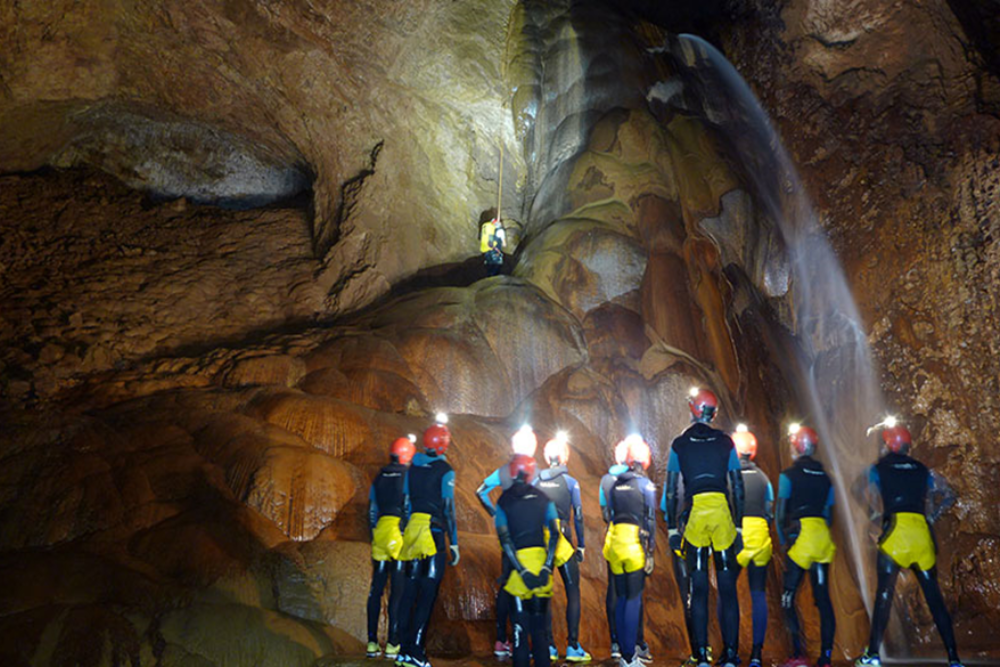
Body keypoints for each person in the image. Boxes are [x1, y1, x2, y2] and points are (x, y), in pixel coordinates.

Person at [855, 423, 964, 667]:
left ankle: (872, 655)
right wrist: (931, 516)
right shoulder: (922, 469)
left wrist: (875, 517)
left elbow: (856, 488)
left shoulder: (878, 468)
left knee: (884, 594)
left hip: (895, 534)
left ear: (888, 445)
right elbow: (948, 494)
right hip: (921, 535)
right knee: (934, 597)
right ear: (907, 446)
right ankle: (954, 658)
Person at [663, 388, 744, 667]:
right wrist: (740, 528)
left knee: (698, 589)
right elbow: (738, 485)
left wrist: (673, 529)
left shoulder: (680, 444)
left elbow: (672, 489)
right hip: (721, 512)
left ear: (693, 409)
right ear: (714, 412)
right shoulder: (725, 442)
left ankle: (701, 657)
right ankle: (732, 655)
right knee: (727, 588)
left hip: (696, 512)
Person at [395, 419, 460, 667]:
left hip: (412, 532)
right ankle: (417, 653)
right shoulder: (446, 471)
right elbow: (448, 508)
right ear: (443, 445)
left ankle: (402, 650)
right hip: (432, 534)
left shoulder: (412, 468)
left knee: (409, 592)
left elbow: (406, 503)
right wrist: (453, 543)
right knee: (427, 595)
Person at [776, 424, 836, 667]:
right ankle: (826, 656)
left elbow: (780, 515)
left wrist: (783, 542)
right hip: (822, 538)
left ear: (798, 446)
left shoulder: (788, 476)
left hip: (801, 539)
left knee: (788, 598)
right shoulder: (826, 477)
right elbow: (829, 517)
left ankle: (798, 654)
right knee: (823, 600)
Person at [477, 425, 538, 659]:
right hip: (528, 535)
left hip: (507, 535)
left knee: (507, 583)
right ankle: (521, 640)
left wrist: (494, 513)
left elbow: (480, 491)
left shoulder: (502, 471)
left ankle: (501, 639)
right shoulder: (535, 471)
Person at [496, 453, 559, 667]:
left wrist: (521, 571)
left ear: (513, 472)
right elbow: (555, 534)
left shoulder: (503, 501)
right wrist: (547, 567)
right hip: (540, 563)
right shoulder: (543, 498)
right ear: (531, 472)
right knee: (540, 634)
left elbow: (505, 540)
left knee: (519, 633)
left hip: (518, 571)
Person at [535, 433, 591, 662]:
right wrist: (582, 545)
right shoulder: (570, 482)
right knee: (573, 591)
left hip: (541, 538)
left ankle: (548, 645)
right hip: (564, 539)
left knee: (544, 593)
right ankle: (573, 645)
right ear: (564, 456)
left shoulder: (535, 480)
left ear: (547, 457)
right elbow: (578, 515)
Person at [603, 434, 657, 667]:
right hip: (634, 543)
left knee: (621, 597)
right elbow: (650, 520)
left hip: (615, 542)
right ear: (644, 461)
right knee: (634, 600)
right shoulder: (645, 485)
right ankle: (631, 656)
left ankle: (624, 653)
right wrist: (651, 552)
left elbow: (610, 514)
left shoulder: (615, 484)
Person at [368, 435, 417, 659]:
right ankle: (392, 643)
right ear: (408, 456)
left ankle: (371, 643)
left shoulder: (379, 475)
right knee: (398, 591)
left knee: (376, 590)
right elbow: (408, 506)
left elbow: (372, 509)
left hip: (380, 533)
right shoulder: (407, 475)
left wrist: (374, 534)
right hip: (398, 533)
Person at [732, 425, 774, 667]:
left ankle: (731, 650)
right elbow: (769, 510)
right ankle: (756, 654)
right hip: (759, 537)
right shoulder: (764, 478)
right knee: (758, 594)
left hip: (737, 536)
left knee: (729, 593)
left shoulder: (731, 476)